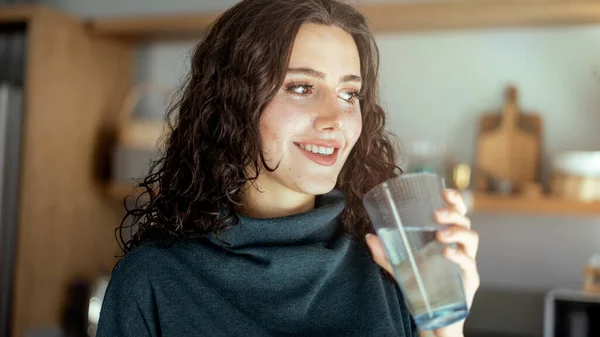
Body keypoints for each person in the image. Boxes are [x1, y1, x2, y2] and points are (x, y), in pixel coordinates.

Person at [96, 0, 480, 336]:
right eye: (301, 87)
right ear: (234, 101)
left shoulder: (396, 267)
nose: (336, 119)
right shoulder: (152, 282)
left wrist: (443, 331)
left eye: (349, 94)